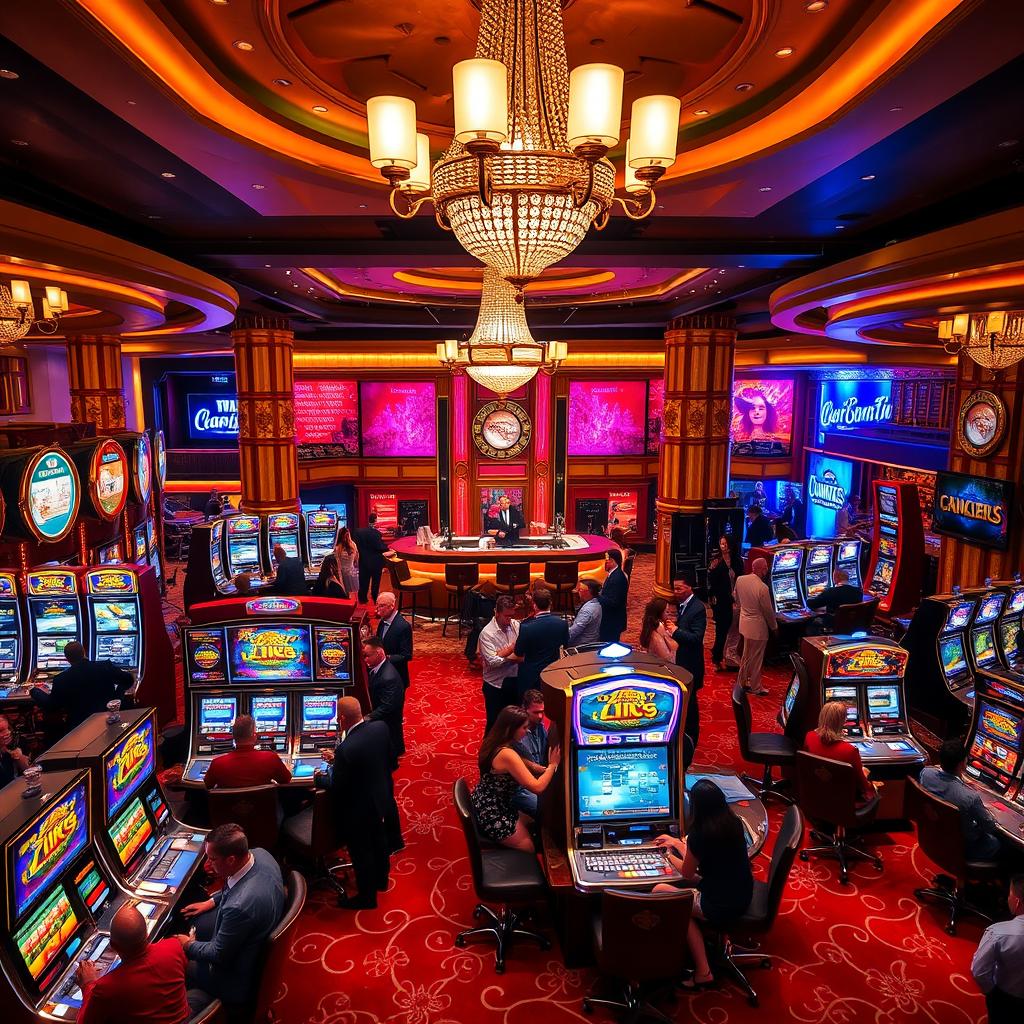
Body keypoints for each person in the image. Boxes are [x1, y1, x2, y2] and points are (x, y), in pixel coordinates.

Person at [653, 779, 753, 988]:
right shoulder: (734, 823)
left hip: (718, 903)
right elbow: (700, 859)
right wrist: (677, 843)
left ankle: (703, 971)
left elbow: (688, 872)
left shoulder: (700, 834)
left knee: (662, 892)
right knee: (684, 891)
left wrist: (667, 855)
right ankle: (719, 939)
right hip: (742, 893)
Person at [177, 823, 285, 1014]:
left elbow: (219, 954)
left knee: (175, 961)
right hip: (255, 931)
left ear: (231, 860)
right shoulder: (261, 854)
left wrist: (187, 945)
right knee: (198, 922)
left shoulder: (239, 908)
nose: (206, 866)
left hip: (235, 979)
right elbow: (237, 884)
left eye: (212, 859)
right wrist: (212, 901)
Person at [321, 697, 397, 907]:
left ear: (343, 719)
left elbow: (337, 785)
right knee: (379, 841)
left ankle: (366, 898)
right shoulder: (379, 728)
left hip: (358, 809)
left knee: (361, 851)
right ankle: (381, 881)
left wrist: (319, 777)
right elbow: (390, 760)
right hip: (381, 797)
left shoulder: (346, 749)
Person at [77, 904, 190, 1024]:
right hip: (187, 1018)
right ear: (146, 934)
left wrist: (88, 984)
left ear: (113, 946)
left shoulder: (107, 987)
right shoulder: (174, 946)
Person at [471, 706, 561, 852]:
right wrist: (552, 765)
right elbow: (537, 787)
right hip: (494, 813)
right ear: (511, 728)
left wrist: (535, 767)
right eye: (524, 728)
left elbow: (517, 761)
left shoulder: (494, 741)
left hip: (483, 801)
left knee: (536, 822)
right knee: (530, 848)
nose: (526, 732)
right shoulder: (507, 754)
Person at [920, 740, 1004, 861]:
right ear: (963, 763)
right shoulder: (970, 797)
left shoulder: (926, 773)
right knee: (997, 842)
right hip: (961, 847)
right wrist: (991, 812)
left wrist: (963, 782)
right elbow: (989, 826)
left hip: (933, 836)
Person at [31, 641, 133, 730]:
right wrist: (116, 698)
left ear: (67, 659)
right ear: (84, 652)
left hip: (79, 728)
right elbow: (129, 680)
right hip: (109, 721)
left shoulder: (61, 679)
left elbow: (52, 706)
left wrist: (34, 690)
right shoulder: (105, 666)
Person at [972, 875, 1024, 1022]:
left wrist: (992, 993)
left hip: (1006, 998)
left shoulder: (998, 933)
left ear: (1017, 901)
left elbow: (980, 971)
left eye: (1009, 894)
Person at [804, 701, 876, 804]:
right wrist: (867, 778)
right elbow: (863, 786)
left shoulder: (809, 736)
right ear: (842, 722)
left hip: (815, 796)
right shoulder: (850, 751)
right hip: (843, 804)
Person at [203, 714, 291, 790]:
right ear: (254, 736)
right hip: (264, 809)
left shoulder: (217, 763)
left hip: (230, 809)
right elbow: (286, 780)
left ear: (233, 736)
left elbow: (207, 785)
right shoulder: (271, 758)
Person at [512, 587, 568, 702]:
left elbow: (518, 652)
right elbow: (565, 645)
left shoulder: (527, 627)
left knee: (528, 708)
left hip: (530, 676)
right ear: (550, 604)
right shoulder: (562, 624)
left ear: (534, 605)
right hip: (552, 674)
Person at [673, 575, 706, 757]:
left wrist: (675, 631)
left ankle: (692, 739)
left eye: (679, 589)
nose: (675, 592)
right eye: (674, 588)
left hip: (691, 666)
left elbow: (696, 638)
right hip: (682, 663)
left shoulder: (698, 608)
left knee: (691, 706)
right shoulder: (683, 606)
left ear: (689, 588)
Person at [477, 595, 521, 733]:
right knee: (494, 725)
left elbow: (523, 650)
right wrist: (512, 650)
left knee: (514, 725)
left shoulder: (516, 625)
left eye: (511, 615)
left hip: (514, 681)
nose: (510, 620)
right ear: (496, 612)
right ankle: (488, 754)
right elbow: (493, 662)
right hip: (495, 685)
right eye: (506, 616)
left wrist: (501, 653)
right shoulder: (487, 634)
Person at [734, 558, 777, 697]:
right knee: (757, 658)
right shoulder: (762, 588)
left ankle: (742, 682)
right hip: (758, 627)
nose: (766, 570)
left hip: (744, 623)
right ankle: (756, 687)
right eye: (765, 568)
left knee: (746, 655)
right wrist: (774, 627)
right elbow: (768, 611)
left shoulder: (740, 579)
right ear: (761, 569)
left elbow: (736, 598)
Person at [363, 637, 405, 763]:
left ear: (379, 653)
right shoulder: (379, 667)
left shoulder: (388, 677)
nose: (365, 659)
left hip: (388, 725)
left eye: (367, 656)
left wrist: (365, 718)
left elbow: (387, 707)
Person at [511, 690, 549, 818]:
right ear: (524, 709)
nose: (540, 716)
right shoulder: (516, 732)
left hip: (537, 779)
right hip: (521, 786)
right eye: (536, 712)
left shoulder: (540, 727)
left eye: (542, 712)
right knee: (546, 810)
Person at [707, 534, 743, 670]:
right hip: (722, 600)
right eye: (721, 544)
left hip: (736, 599)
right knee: (721, 631)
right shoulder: (716, 561)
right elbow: (711, 582)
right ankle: (717, 658)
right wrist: (712, 598)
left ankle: (730, 656)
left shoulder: (737, 560)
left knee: (734, 630)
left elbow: (741, 578)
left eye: (725, 544)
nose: (723, 547)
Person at [375, 592, 413, 689]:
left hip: (396, 677)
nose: (377, 609)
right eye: (377, 605)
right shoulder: (383, 621)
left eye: (382, 606)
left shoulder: (403, 626)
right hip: (383, 675)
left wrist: (385, 659)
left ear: (392, 606)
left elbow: (406, 655)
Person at [352, 513, 390, 604]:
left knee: (363, 581)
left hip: (363, 561)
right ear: (375, 520)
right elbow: (380, 547)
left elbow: (355, 545)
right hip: (376, 562)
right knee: (375, 583)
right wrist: (388, 548)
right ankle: (375, 597)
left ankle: (362, 599)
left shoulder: (358, 532)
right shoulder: (376, 533)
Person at [597, 547, 629, 642]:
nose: (605, 563)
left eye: (607, 561)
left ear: (612, 561)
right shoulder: (614, 574)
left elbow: (613, 602)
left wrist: (597, 596)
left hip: (613, 621)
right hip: (611, 620)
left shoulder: (617, 578)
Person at [639, 597, 677, 662]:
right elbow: (667, 658)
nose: (668, 615)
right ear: (660, 613)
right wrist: (674, 631)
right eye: (667, 612)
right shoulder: (658, 628)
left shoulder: (649, 625)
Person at [568, 578, 602, 646]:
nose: (578, 592)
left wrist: (560, 639)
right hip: (592, 641)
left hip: (581, 645)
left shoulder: (587, 610)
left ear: (588, 592)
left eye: (580, 589)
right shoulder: (596, 603)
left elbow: (573, 632)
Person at [0, 714, 29, 787]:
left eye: (8, 728)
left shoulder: (9, 749)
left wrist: (18, 755)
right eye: (1, 730)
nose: (7, 733)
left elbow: (28, 771)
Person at [334, 528, 359, 595]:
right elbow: (356, 560)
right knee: (353, 593)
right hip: (351, 572)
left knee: (343, 594)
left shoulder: (337, 547)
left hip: (341, 573)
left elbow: (336, 562)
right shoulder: (353, 545)